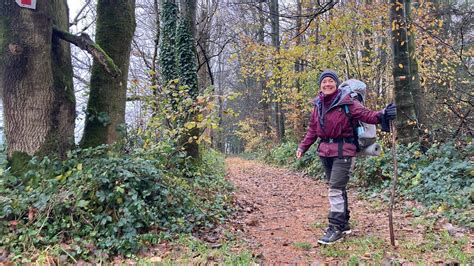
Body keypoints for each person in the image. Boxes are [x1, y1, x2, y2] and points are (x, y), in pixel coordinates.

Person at [296, 69, 396, 245]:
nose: (327, 84)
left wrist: (383, 114)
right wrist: (303, 147)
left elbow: (366, 115)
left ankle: (335, 228)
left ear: (336, 84)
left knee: (335, 189)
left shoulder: (347, 102)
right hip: (325, 151)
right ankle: (344, 223)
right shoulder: (318, 104)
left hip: (344, 150)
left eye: (330, 81)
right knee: (338, 188)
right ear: (320, 85)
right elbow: (313, 129)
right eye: (324, 82)